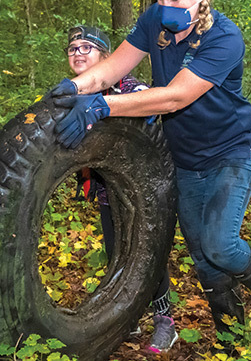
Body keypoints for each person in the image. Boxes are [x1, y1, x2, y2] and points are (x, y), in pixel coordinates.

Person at [50, 0, 251, 354]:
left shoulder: (224, 37)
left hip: (231, 152)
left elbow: (175, 96)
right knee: (204, 259)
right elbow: (113, 69)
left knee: (220, 244)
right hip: (186, 159)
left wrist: (104, 106)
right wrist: (77, 88)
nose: (166, 6)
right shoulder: (153, 23)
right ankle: (232, 342)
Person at [61, 25, 178, 353]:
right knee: (117, 251)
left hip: (144, 192)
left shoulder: (130, 87)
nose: (78, 53)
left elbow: (154, 111)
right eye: (72, 49)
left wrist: (111, 106)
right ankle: (128, 315)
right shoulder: (75, 95)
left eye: (87, 48)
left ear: (105, 57)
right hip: (106, 191)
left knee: (146, 254)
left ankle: (165, 321)